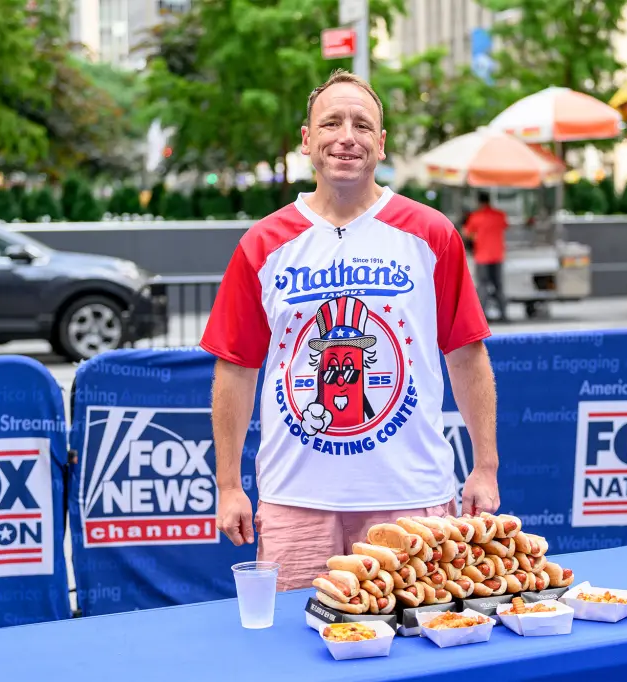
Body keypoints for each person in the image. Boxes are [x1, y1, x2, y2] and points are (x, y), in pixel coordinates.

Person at [200, 69, 501, 592]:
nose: (347, 136)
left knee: (418, 648)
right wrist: (228, 485)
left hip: (411, 497)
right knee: (298, 660)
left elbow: (467, 356)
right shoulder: (262, 243)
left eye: (362, 125)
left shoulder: (431, 234)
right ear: (306, 139)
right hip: (295, 502)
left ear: (381, 145)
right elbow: (235, 368)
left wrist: (486, 467)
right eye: (331, 122)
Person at [462, 191, 509, 322]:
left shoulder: (475, 217)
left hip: (482, 256)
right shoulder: (500, 215)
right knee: (499, 286)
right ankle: (503, 314)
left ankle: (482, 317)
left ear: (479, 202)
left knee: (482, 286)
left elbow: (467, 234)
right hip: (498, 255)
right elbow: (505, 226)